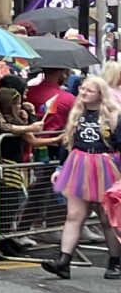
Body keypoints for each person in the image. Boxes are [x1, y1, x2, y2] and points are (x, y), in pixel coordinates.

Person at [41, 76, 121, 281]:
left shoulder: (113, 115)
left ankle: (115, 262)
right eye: (83, 89)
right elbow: (68, 143)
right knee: (74, 215)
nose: (83, 93)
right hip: (79, 164)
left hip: (106, 165)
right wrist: (60, 166)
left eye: (89, 90)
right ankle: (63, 261)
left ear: (100, 94)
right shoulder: (76, 114)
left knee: (107, 218)